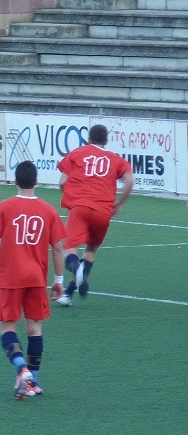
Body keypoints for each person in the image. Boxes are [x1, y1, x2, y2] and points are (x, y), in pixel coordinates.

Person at [0, 160, 66, 399]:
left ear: (15, 181)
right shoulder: (49, 210)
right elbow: (58, 248)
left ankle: (21, 369)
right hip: (37, 278)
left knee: (7, 328)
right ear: (36, 182)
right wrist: (58, 279)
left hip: (11, 277)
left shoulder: (5, 207)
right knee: (34, 329)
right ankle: (33, 383)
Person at [54, 123, 133, 306]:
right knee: (90, 249)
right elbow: (129, 181)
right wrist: (119, 203)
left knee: (69, 249)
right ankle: (68, 295)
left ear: (88, 139)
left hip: (80, 207)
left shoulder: (78, 152)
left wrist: (71, 196)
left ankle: (75, 269)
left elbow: (62, 182)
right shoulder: (116, 159)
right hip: (103, 211)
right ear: (106, 140)